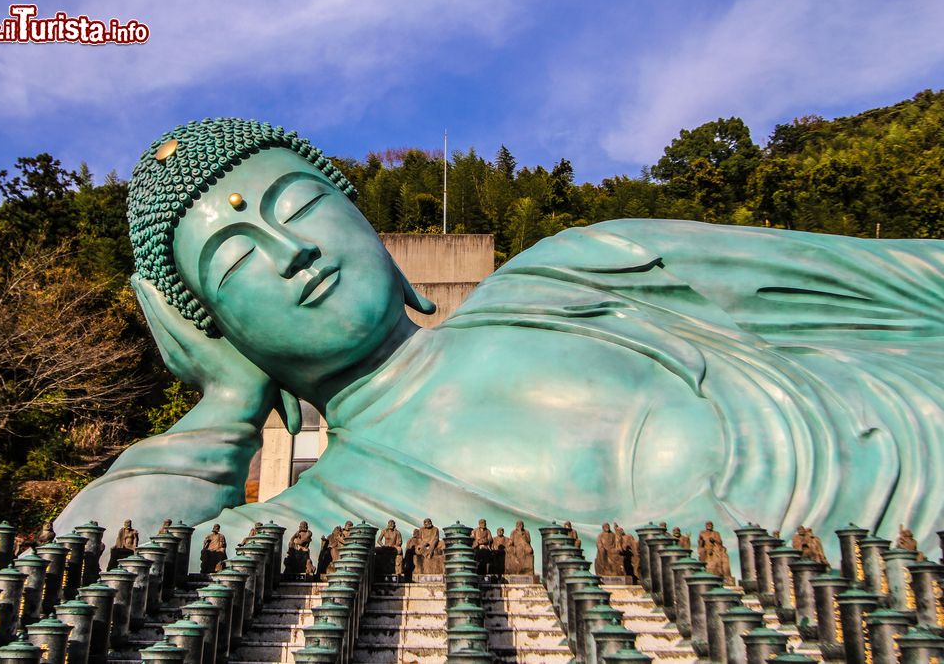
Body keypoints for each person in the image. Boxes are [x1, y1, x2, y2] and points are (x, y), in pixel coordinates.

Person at [54, 117, 944, 558]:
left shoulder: (582, 269)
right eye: (235, 257)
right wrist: (223, 405)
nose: (292, 252)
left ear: (367, 223)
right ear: (209, 328)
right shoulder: (329, 517)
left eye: (302, 207)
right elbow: (87, 578)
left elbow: (905, 279)